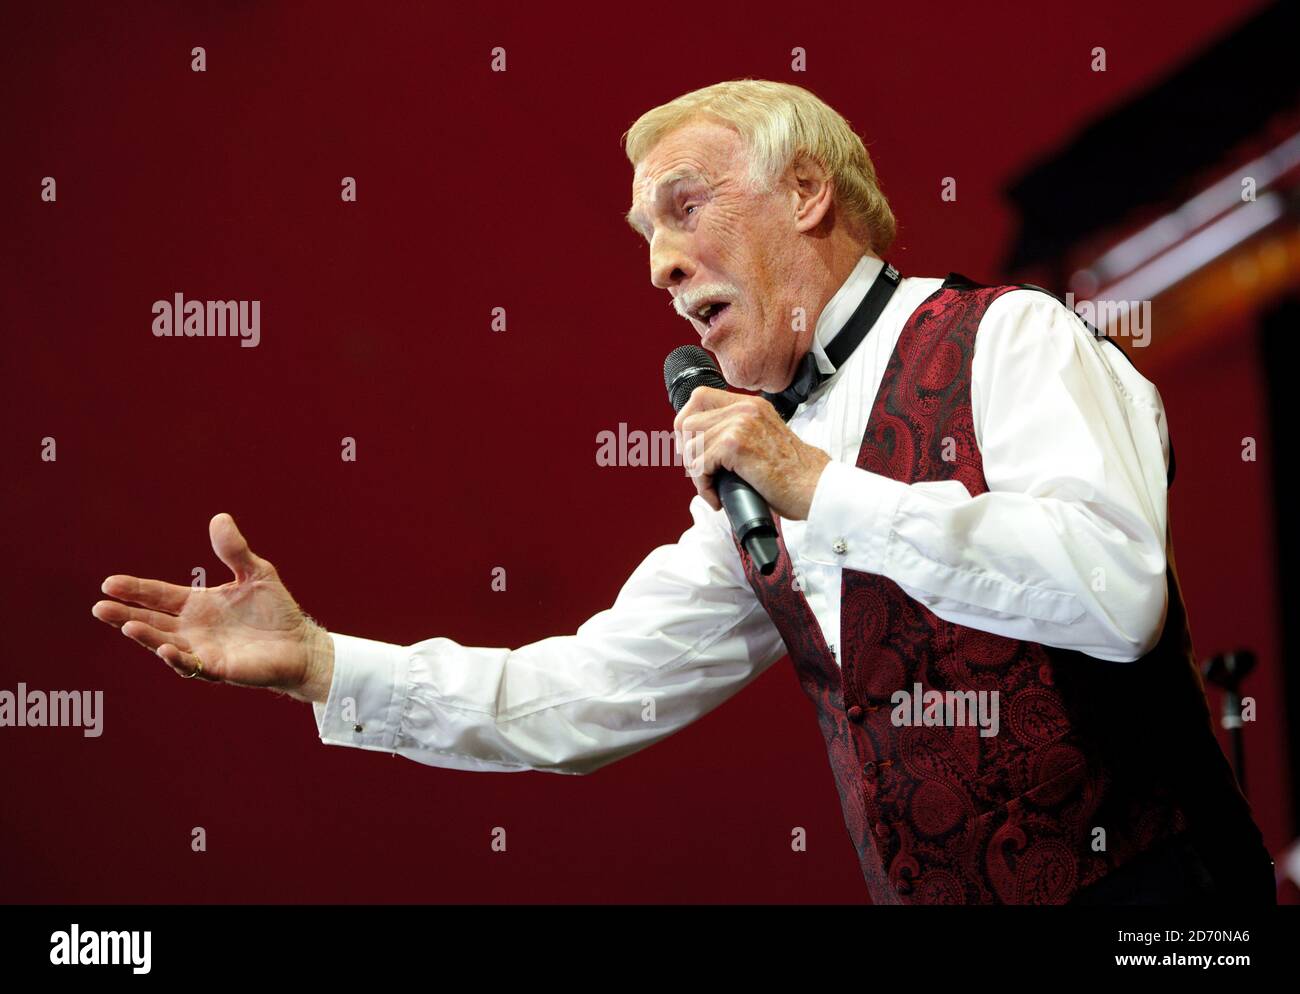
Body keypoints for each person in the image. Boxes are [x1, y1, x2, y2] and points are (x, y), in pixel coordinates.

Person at [92, 79, 1274, 905]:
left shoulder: (1011, 338)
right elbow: (577, 693)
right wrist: (322, 665)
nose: (657, 262)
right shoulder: (758, 482)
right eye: (644, 236)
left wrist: (819, 485)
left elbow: (1115, 594)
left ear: (807, 192)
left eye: (685, 207)